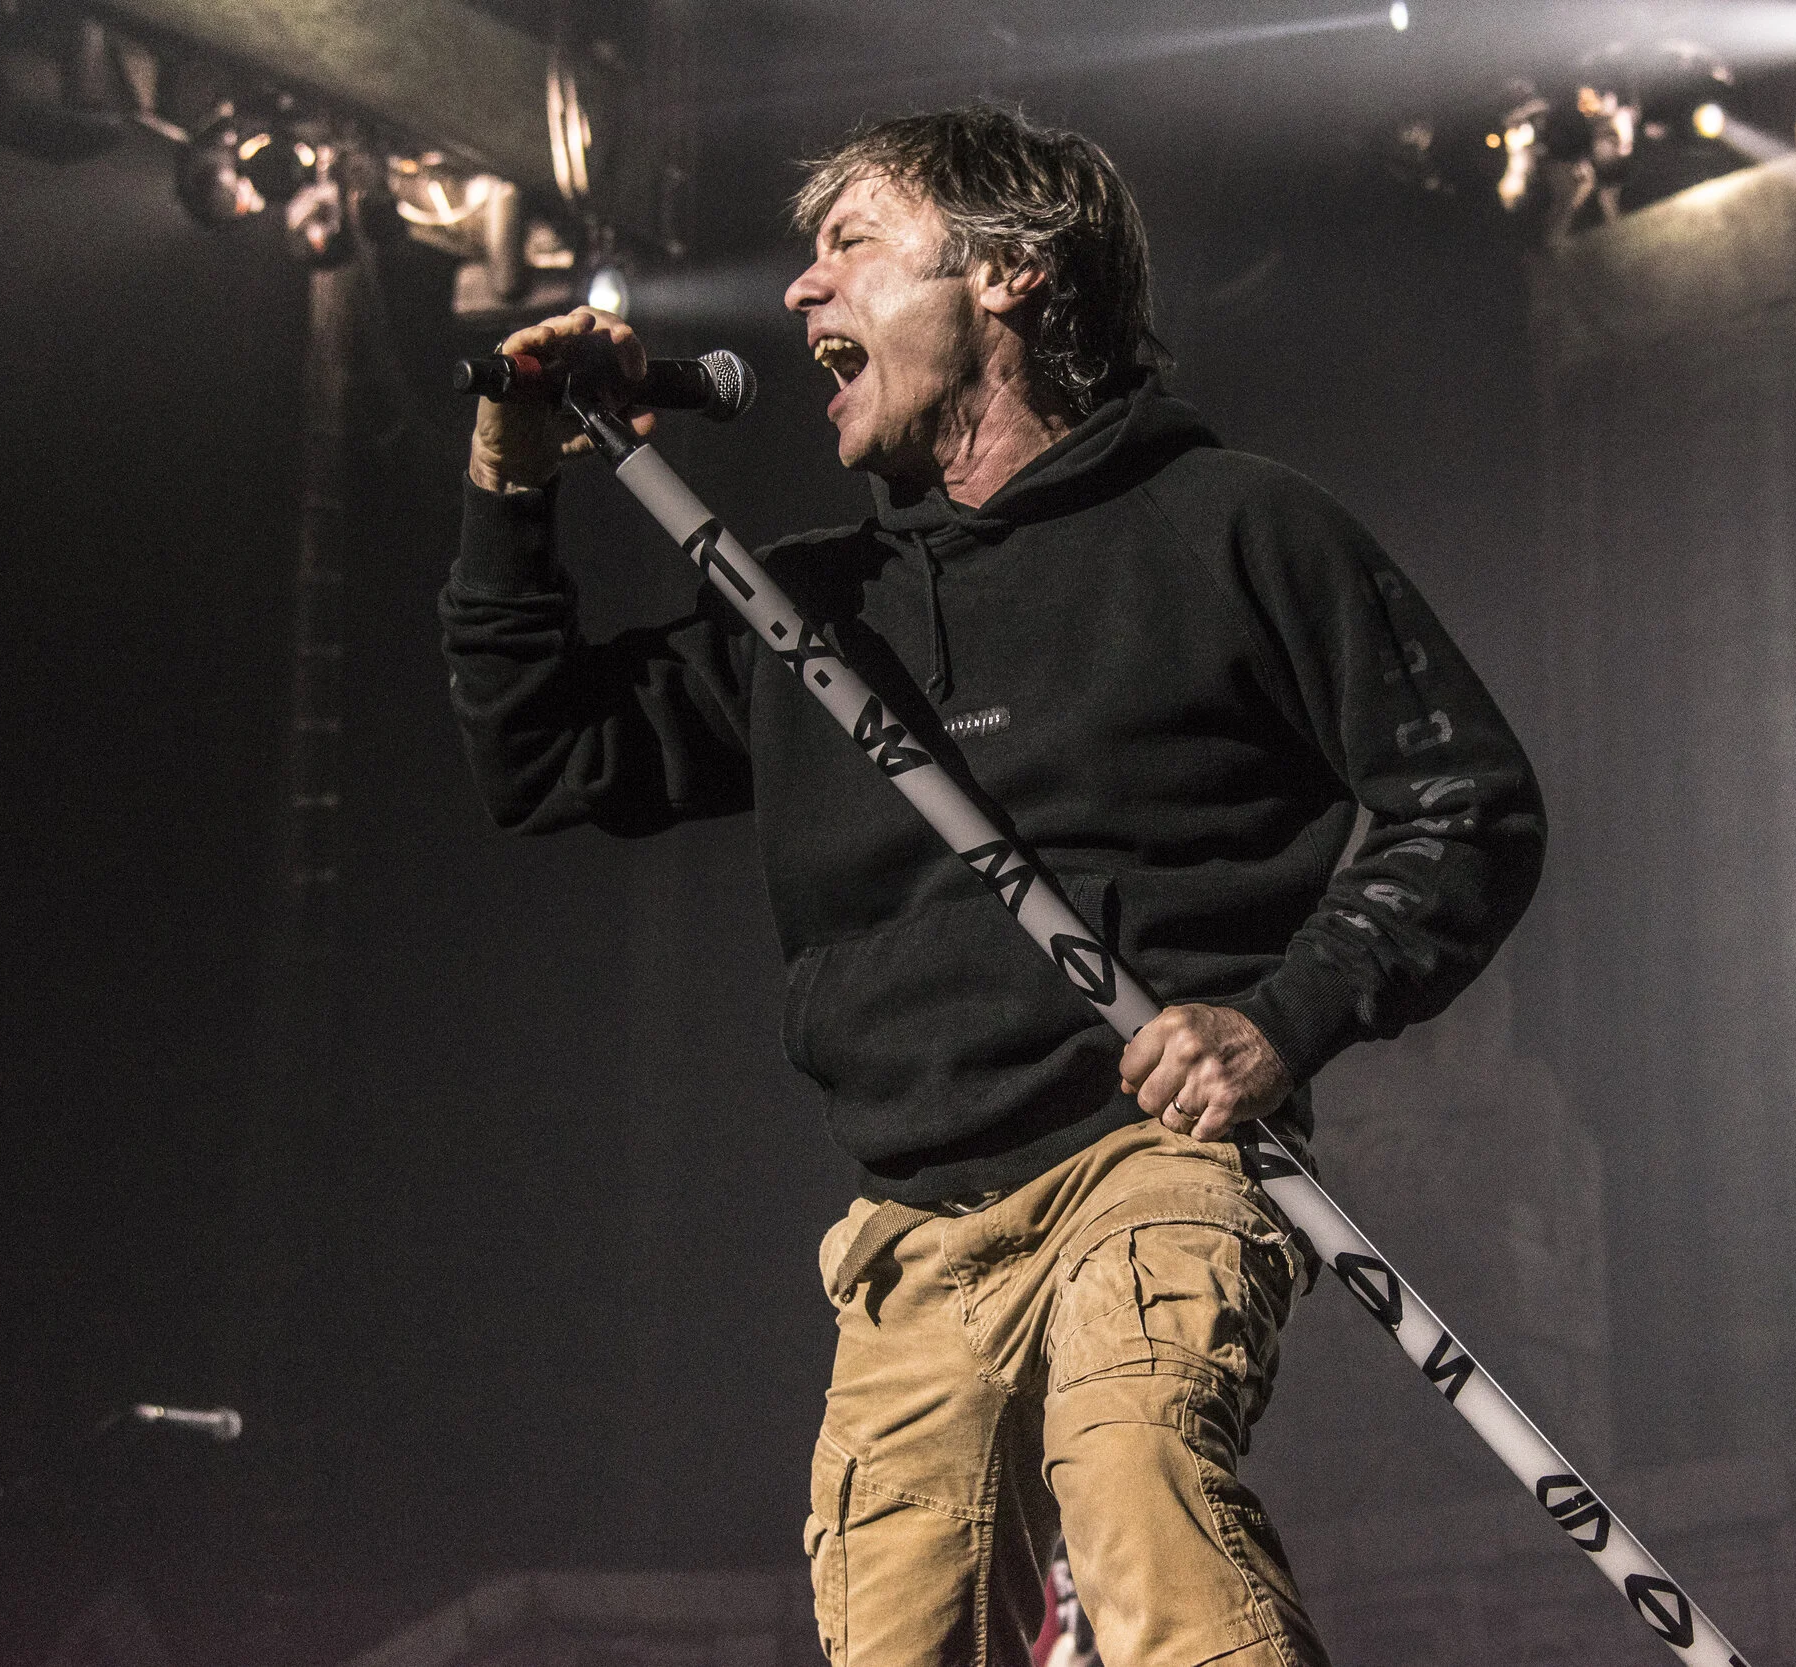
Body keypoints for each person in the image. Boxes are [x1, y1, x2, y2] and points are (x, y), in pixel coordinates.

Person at [441, 103, 1543, 1667]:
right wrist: (508, 482)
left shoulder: (1235, 525)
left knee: (1134, 1462)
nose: (798, 294)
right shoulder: (815, 613)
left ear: (1011, 274)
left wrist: (1280, 1019)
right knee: (900, 1635)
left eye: (850, 245)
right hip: (916, 1229)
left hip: (1146, 1157)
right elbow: (545, 758)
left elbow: (1467, 806)